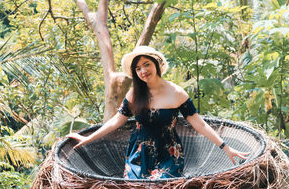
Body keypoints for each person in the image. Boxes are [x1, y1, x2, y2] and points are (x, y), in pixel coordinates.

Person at [68, 46, 250, 180]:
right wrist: (88, 138)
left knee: (161, 187)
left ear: (156, 64)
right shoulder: (134, 94)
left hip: (169, 154)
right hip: (139, 154)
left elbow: (199, 123)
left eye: (146, 65)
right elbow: (116, 121)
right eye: (138, 68)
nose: (142, 71)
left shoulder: (176, 92)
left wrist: (226, 148)